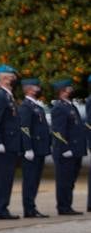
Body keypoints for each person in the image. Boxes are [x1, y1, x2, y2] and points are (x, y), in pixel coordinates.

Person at [49, 79, 85, 216]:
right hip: (66, 152)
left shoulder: (71, 106)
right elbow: (58, 131)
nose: (71, 90)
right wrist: (64, 148)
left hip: (75, 150)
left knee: (70, 181)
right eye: (69, 88)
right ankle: (63, 207)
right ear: (62, 91)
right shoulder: (59, 107)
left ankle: (67, 205)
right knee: (64, 181)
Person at [17, 78, 51, 218]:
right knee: (30, 180)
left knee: (35, 179)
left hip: (39, 148)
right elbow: (25, 128)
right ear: (29, 89)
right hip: (33, 148)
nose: (38, 89)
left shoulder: (35, 105)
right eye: (36, 87)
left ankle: (32, 206)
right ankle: (29, 209)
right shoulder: (26, 106)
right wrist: (28, 148)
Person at [0, 65, 21, 219]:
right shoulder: (0, 96)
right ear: (3, 79)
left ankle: (3, 207)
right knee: (2, 178)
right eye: (10, 77)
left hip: (11, 143)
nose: (13, 79)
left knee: (7, 178)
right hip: (5, 144)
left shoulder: (8, 95)